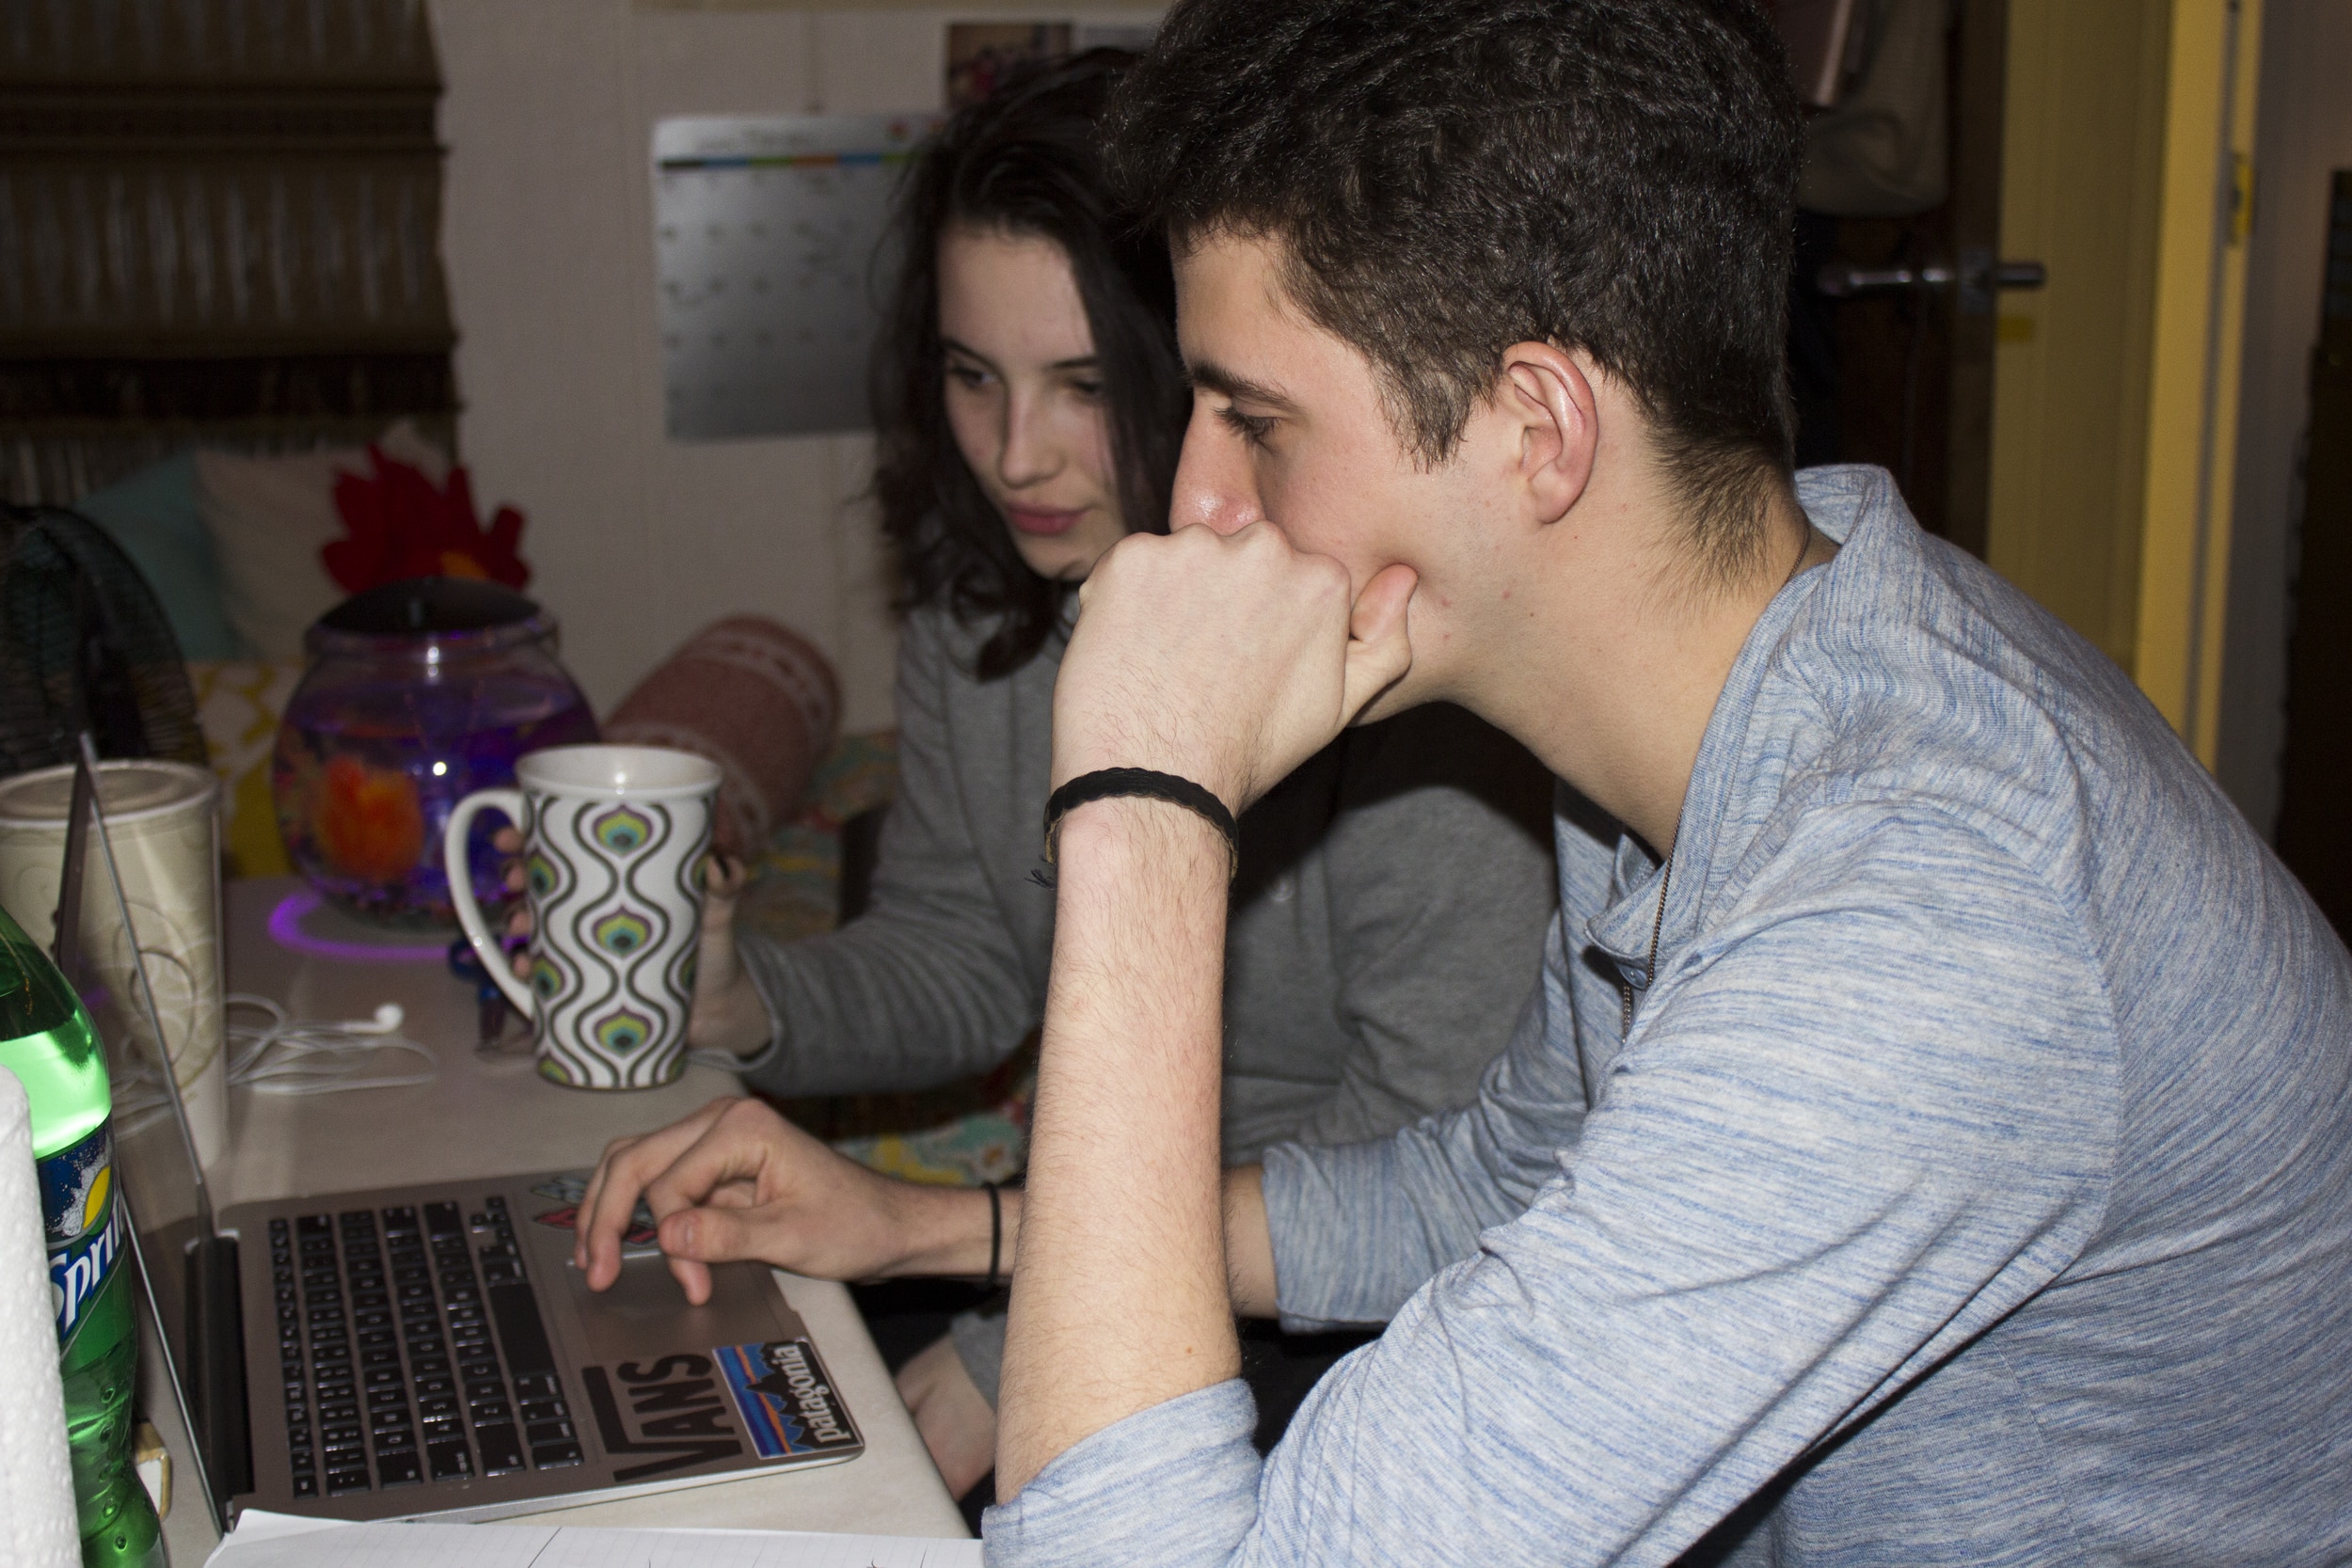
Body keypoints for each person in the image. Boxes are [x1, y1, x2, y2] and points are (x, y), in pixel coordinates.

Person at [577, 0, 2352, 1560]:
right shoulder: (1754, 682)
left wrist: (1142, 807)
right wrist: (934, 1228)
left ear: (1536, 426)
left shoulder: (1924, 917)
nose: (1191, 502)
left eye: (1254, 422)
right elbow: (1484, 1192)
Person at [563, 49, 1557, 1505]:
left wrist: (1001, 1324)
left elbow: (1429, 1160)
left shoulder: (1396, 663)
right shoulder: (987, 605)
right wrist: (747, 997)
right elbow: (967, 955)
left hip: (1363, 1313)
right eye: (972, 377)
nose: (1014, 453)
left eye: (1083, 387)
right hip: (1078, 1240)